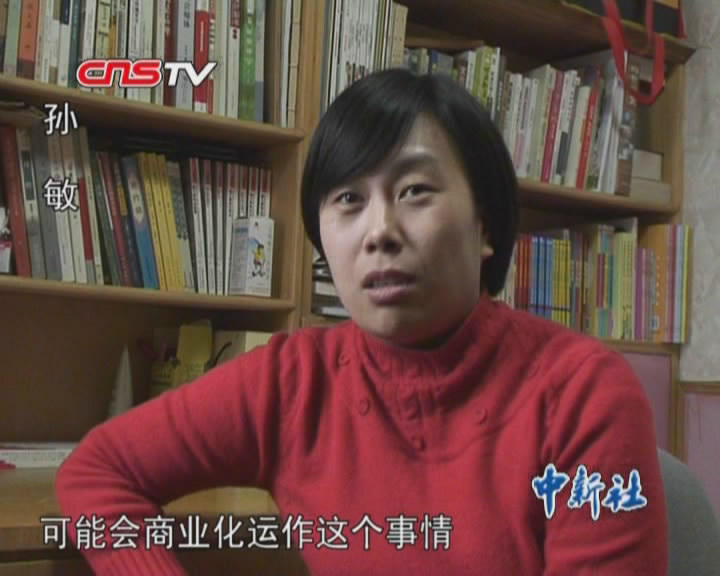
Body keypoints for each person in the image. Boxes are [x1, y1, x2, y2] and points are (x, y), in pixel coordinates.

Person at [55, 68, 667, 575]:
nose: (379, 232)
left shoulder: (583, 395)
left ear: (485, 225)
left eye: (415, 190)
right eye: (348, 199)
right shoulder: (292, 382)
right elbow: (98, 471)